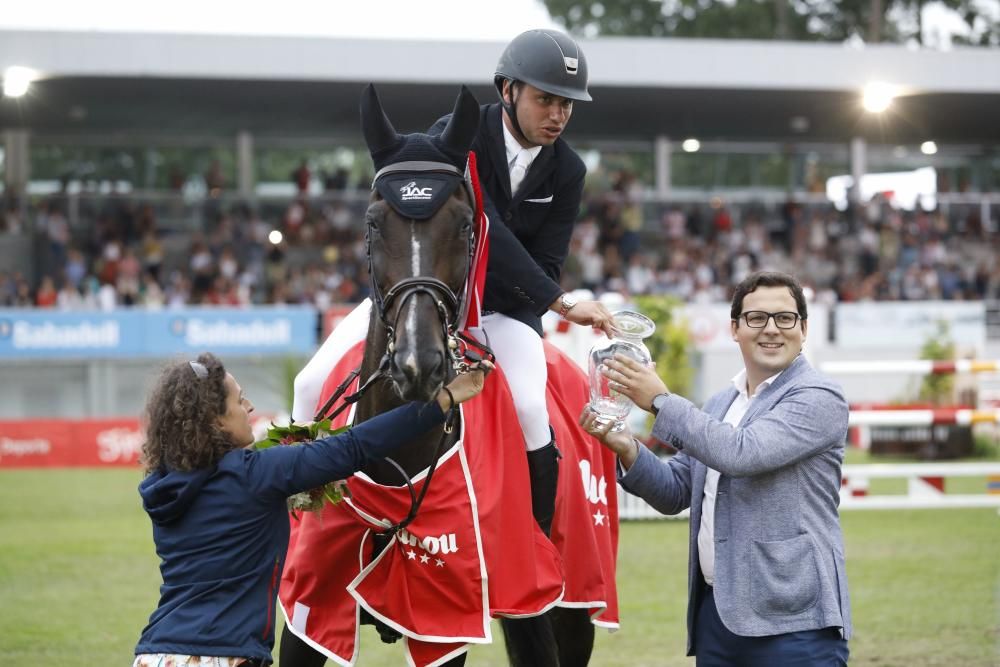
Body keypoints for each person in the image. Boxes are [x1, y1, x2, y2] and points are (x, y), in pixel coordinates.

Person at [133, 352, 492, 667]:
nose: (250, 408)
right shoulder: (255, 475)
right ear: (216, 423)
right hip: (221, 656)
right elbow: (355, 447)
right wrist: (445, 398)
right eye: (239, 402)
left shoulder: (164, 488)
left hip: (155, 653)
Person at [581, 271, 852, 666]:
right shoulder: (721, 402)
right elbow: (676, 490)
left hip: (794, 619)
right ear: (735, 329)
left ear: (804, 329)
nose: (772, 329)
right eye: (757, 318)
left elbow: (741, 453)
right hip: (718, 618)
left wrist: (660, 399)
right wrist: (626, 446)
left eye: (785, 318)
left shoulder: (818, 396)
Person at [429, 28, 616, 536]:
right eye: (546, 100)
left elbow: (549, 259)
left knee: (534, 409)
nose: (558, 115)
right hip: (429, 300)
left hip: (503, 314)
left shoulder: (569, 170)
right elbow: (481, 222)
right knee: (314, 382)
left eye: (567, 105)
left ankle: (535, 538)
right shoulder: (458, 134)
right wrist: (560, 301)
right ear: (507, 90)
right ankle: (311, 512)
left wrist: (545, 296)